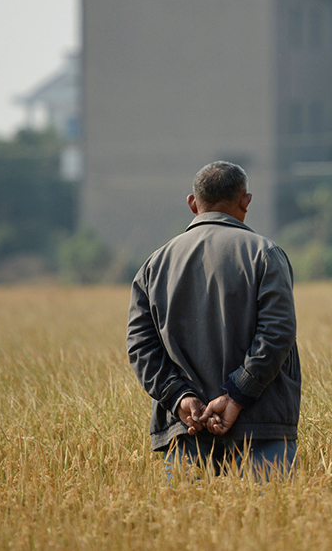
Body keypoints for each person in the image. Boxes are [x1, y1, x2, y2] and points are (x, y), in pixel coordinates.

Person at [126, 161, 300, 478]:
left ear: (193, 203)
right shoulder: (264, 254)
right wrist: (236, 396)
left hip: (185, 429)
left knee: (185, 511)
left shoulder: (154, 265)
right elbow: (277, 333)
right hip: (261, 428)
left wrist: (180, 398)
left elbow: (140, 346)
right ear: (245, 200)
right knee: (268, 510)